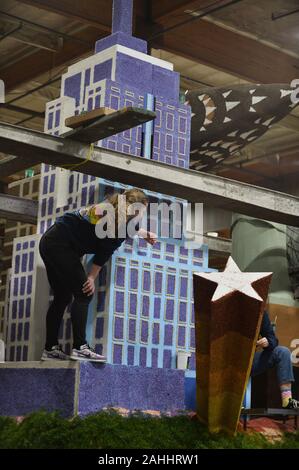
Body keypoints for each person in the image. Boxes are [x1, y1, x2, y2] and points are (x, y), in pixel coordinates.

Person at [39, 188, 157, 362]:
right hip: (60, 246)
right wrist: (91, 278)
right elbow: (103, 254)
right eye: (142, 212)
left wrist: (144, 233)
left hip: (50, 241)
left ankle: (50, 349)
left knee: (62, 297)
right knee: (85, 293)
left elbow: (128, 226)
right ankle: (80, 347)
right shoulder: (116, 224)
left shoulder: (111, 208)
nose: (143, 216)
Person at [251, 311, 298, 409]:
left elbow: (272, 339)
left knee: (283, 352)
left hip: (250, 361)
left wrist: (268, 342)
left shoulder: (261, 312)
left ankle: (287, 399)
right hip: (229, 361)